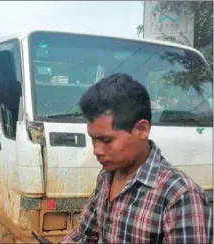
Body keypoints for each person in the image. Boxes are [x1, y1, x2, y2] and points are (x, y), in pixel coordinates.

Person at [62, 73, 212, 243]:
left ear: (141, 129)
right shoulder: (106, 176)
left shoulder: (180, 197)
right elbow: (84, 234)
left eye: (106, 140)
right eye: (93, 139)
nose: (96, 150)